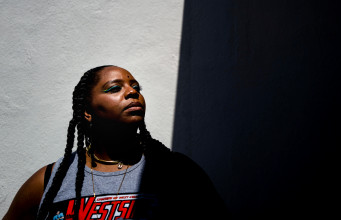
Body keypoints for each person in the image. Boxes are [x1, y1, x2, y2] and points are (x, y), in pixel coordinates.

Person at [2, 65, 228, 220]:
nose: (132, 92)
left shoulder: (178, 171)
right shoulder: (49, 180)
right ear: (87, 112)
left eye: (136, 87)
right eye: (114, 88)